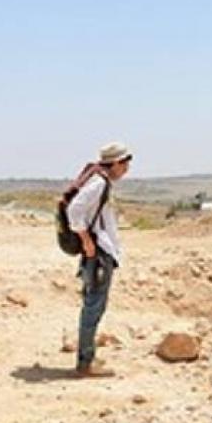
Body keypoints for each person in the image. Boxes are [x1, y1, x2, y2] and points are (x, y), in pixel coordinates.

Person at [67, 142, 133, 377]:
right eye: (125, 163)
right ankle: (85, 363)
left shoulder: (101, 182)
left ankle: (86, 358)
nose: (127, 168)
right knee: (94, 306)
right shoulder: (99, 183)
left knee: (93, 305)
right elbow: (74, 210)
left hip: (99, 251)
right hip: (98, 252)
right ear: (115, 163)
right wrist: (85, 240)